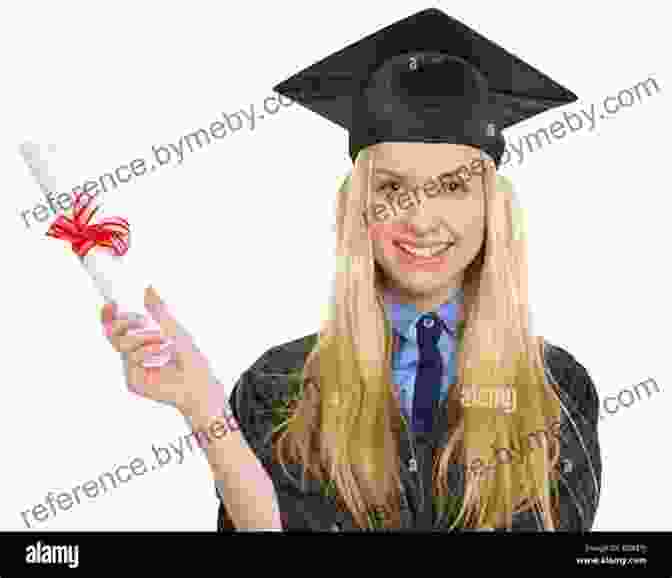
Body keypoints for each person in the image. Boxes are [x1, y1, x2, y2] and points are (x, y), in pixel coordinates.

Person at [102, 8, 602, 532]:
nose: (422, 219)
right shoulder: (279, 388)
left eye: (453, 187)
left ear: (490, 208)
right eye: (391, 187)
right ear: (358, 208)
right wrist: (204, 412)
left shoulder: (556, 391)